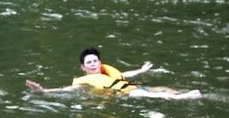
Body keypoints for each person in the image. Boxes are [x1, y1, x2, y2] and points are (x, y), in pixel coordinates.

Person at [26, 47, 202, 100]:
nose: (93, 64)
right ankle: (183, 98)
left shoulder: (107, 73)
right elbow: (66, 89)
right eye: (89, 62)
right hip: (126, 94)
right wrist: (44, 91)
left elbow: (126, 74)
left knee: (164, 88)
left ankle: (186, 94)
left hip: (133, 87)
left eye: (95, 61)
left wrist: (141, 70)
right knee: (152, 94)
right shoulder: (84, 81)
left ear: (100, 63)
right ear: (83, 68)